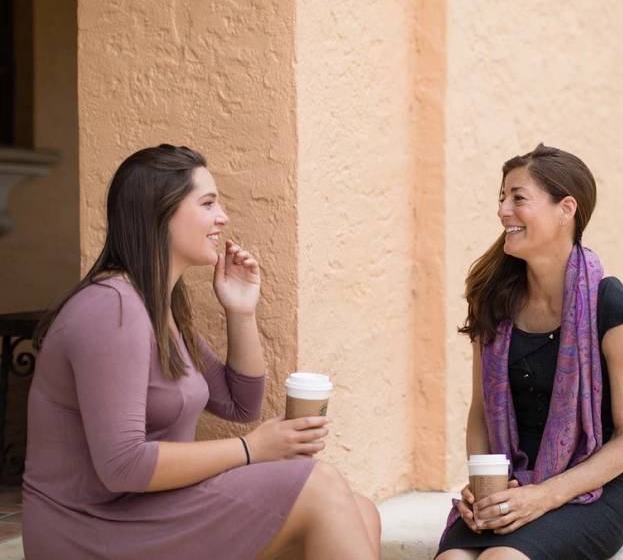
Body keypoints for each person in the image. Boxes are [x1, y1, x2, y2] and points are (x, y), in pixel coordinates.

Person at [22, 145, 380, 560]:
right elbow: (122, 465)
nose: (222, 217)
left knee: (363, 512)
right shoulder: (111, 309)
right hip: (90, 528)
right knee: (320, 486)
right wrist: (252, 450)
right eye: (208, 203)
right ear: (161, 212)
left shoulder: (160, 304)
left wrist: (241, 310)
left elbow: (238, 402)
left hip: (149, 511)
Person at [436, 144, 623, 560]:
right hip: (513, 484)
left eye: (518, 198)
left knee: (504, 559)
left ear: (565, 209)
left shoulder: (614, 307)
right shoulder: (494, 298)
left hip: (594, 487)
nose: (502, 211)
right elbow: (481, 411)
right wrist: (483, 490)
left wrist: (545, 496)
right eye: (501, 198)